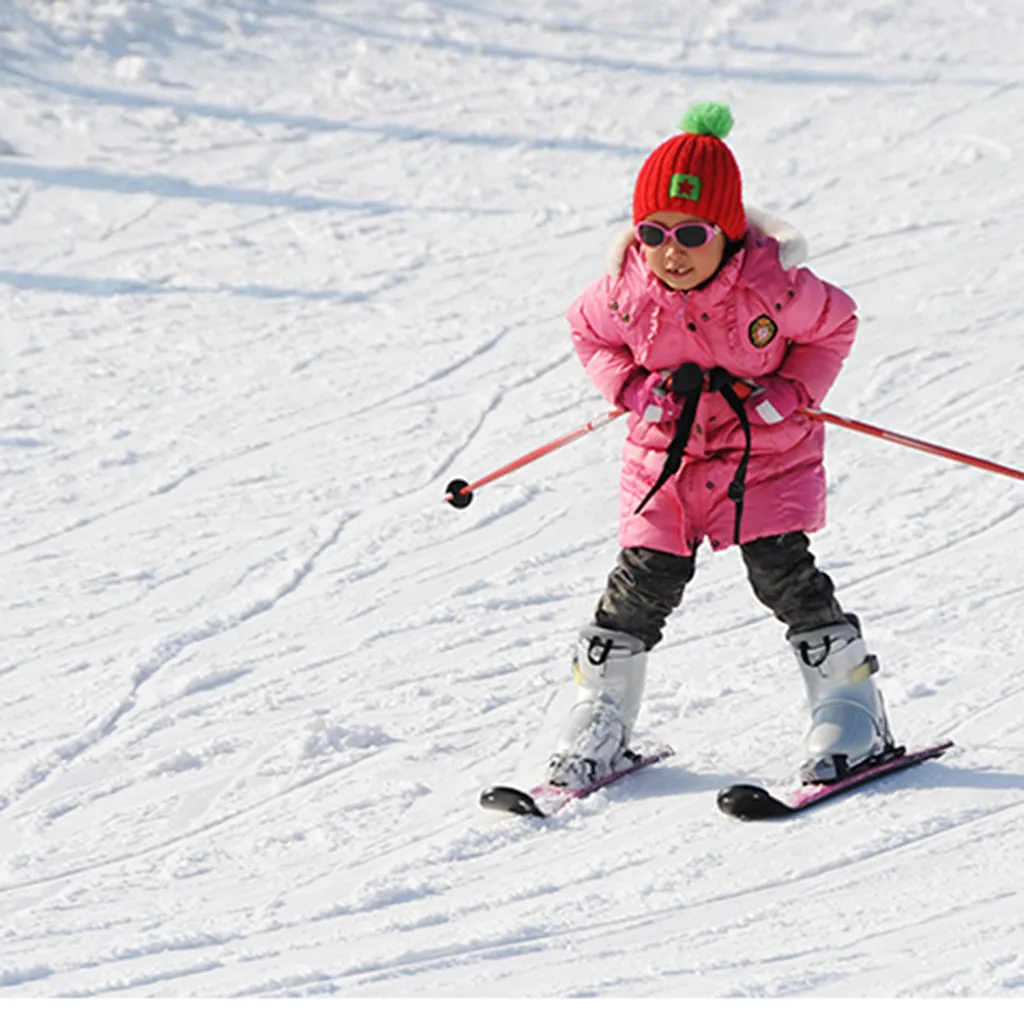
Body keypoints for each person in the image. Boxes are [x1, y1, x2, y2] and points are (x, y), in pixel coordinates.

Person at [547, 102, 895, 789]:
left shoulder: (774, 288)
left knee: (783, 575)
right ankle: (600, 715)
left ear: (729, 233)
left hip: (761, 459)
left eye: (692, 233)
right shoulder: (626, 293)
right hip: (666, 465)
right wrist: (629, 388)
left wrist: (794, 390)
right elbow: (588, 335)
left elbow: (836, 325)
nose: (670, 251)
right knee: (639, 586)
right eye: (653, 233)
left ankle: (852, 711)